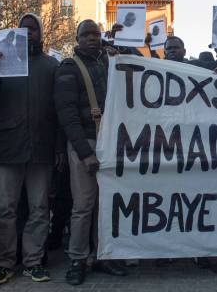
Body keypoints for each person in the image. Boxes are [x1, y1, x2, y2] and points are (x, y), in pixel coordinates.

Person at [0, 13, 64, 285]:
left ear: (41, 34)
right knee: (5, 208)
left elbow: (59, 111)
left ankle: (33, 261)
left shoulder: (52, 66)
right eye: (24, 29)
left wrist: (58, 148)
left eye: (33, 29)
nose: (29, 33)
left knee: (40, 208)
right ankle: (4, 262)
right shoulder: (0, 65)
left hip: (41, 149)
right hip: (7, 148)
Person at [54, 20, 127, 285]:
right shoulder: (69, 67)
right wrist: (85, 153)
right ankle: (77, 258)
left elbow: (141, 66)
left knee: (106, 205)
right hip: (85, 143)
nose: (91, 39)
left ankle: (102, 256)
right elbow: (67, 115)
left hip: (111, 144)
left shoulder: (110, 62)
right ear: (77, 38)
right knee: (84, 206)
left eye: (96, 34)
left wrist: (117, 45)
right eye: (86, 35)